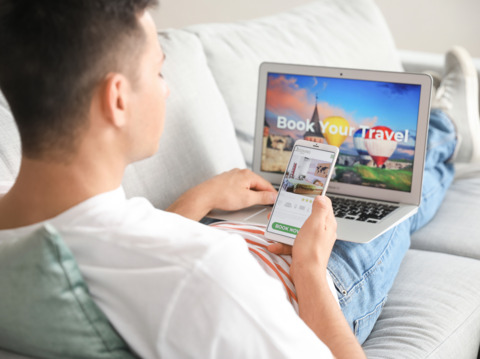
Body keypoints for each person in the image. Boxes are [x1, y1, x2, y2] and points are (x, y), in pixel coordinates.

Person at [0, 0, 478, 358]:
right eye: (159, 71)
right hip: (312, 282)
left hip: (233, 237)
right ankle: (448, 130)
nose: (167, 90)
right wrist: (309, 268)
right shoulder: (204, 274)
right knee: (390, 200)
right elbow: (177, 273)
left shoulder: (25, 226)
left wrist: (198, 198)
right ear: (118, 99)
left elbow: (119, 249)